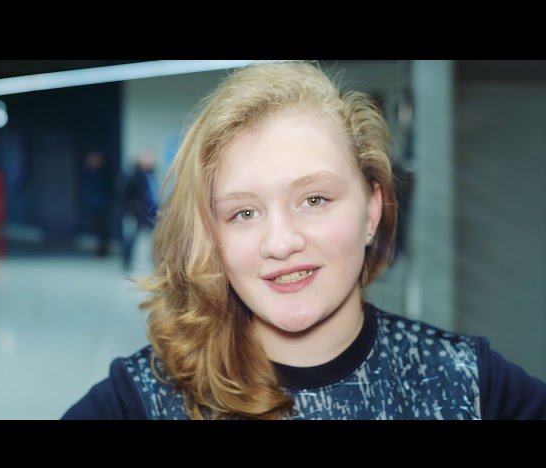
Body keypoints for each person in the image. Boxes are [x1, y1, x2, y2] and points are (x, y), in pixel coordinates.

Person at [63, 61, 546, 420]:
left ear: (372, 210)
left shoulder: (470, 384)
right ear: (211, 235)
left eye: (314, 200)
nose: (280, 242)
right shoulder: (140, 400)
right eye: (244, 213)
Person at [120, 149, 159, 271]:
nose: (148, 162)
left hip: (151, 212)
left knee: (155, 238)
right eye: (146, 159)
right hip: (135, 213)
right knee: (131, 237)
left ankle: (155, 261)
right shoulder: (133, 176)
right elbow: (124, 194)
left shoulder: (153, 175)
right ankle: (127, 262)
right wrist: (133, 207)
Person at [81, 150, 112, 256]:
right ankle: (99, 248)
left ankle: (103, 249)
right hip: (93, 204)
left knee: (103, 228)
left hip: (102, 204)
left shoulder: (103, 173)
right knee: (96, 228)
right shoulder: (88, 173)